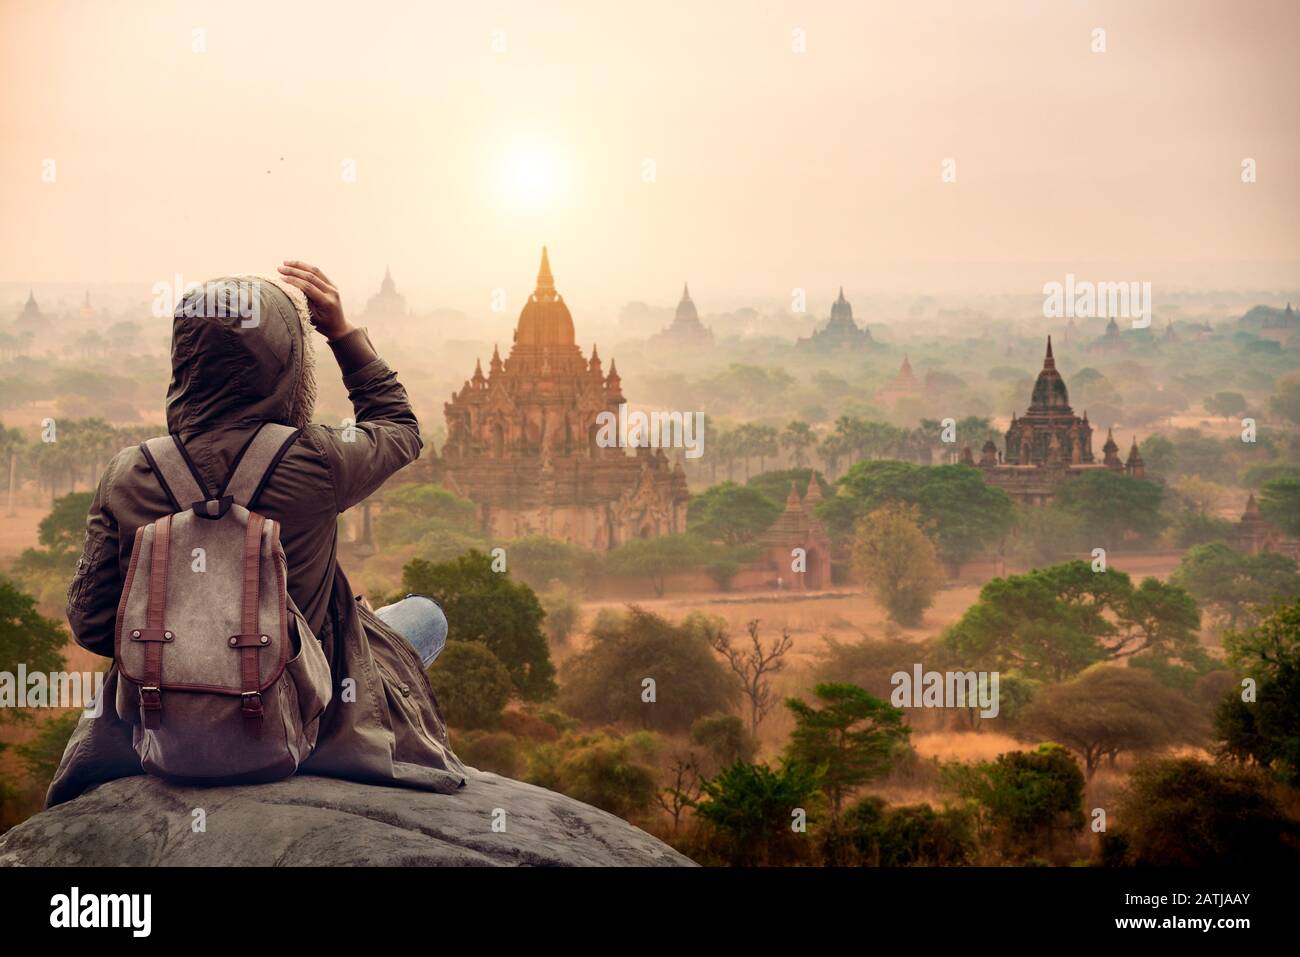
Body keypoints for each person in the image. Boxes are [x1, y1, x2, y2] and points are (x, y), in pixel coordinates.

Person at [48, 262, 464, 806]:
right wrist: (341, 333)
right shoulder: (317, 460)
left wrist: (180, 641)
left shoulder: (131, 472)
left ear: (184, 363)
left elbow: (92, 622)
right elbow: (400, 428)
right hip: (304, 722)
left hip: (161, 730)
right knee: (424, 616)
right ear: (288, 363)